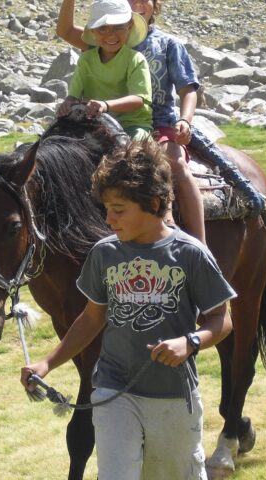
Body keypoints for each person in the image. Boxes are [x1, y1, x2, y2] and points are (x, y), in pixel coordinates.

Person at [21, 139, 236, 480]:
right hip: (113, 390)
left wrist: (190, 342)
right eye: (105, 209)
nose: (108, 219)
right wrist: (48, 362)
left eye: (118, 210)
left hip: (173, 396)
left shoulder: (191, 254)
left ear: (152, 203)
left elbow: (221, 320)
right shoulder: (105, 254)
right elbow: (92, 318)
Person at [57, 0, 266, 231]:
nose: (138, 4)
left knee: (177, 166)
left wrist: (185, 121)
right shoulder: (104, 38)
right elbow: (65, 30)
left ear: (156, 3)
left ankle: (196, 243)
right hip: (102, 125)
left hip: (158, 124)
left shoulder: (167, 44)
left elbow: (187, 89)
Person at [57, 0, 153, 141]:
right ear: (93, 31)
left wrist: (105, 105)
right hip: (95, 123)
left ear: (129, 26)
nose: (111, 35)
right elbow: (73, 95)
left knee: (136, 152)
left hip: (131, 125)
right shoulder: (86, 59)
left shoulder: (136, 59)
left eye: (119, 27)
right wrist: (68, 103)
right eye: (103, 28)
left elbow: (138, 99)